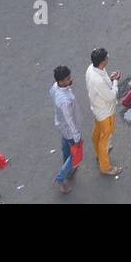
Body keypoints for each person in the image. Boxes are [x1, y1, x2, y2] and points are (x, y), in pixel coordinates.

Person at [84, 48, 122, 175]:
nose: (108, 58)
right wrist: (115, 81)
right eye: (107, 57)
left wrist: (110, 79)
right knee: (105, 138)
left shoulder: (91, 69)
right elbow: (111, 96)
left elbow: (102, 86)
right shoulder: (98, 80)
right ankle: (105, 166)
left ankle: (99, 153)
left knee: (97, 131)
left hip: (97, 108)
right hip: (106, 112)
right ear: (102, 61)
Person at [48, 65, 83, 194]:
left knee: (65, 148)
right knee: (75, 154)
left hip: (61, 125)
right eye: (68, 78)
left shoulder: (55, 87)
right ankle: (60, 178)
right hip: (69, 130)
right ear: (61, 81)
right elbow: (70, 120)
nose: (70, 79)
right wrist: (77, 137)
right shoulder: (65, 101)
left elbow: (51, 93)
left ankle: (67, 170)